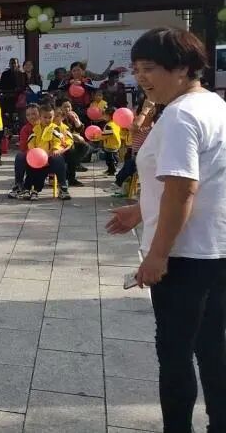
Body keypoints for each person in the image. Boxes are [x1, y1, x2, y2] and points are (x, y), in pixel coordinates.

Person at [104, 27, 226, 433]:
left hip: (185, 255)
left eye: (151, 68)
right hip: (216, 249)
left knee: (175, 355)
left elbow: (182, 188)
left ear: (184, 68)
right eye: (137, 69)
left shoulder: (179, 115)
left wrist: (157, 255)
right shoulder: (213, 104)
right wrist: (141, 209)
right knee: (214, 349)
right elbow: (204, 179)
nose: (142, 77)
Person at [111, 99, 159, 197]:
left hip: (151, 157)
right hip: (138, 156)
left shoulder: (154, 126)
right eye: (149, 110)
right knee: (132, 162)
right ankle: (119, 182)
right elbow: (135, 126)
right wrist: (145, 109)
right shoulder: (135, 124)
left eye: (153, 111)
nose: (151, 113)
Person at [20, 106, 66, 201]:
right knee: (30, 169)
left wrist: (55, 149)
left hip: (48, 157)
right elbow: (31, 141)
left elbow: (57, 141)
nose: (48, 120)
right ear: (40, 117)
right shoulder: (36, 129)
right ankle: (26, 189)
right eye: (45, 117)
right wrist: (33, 151)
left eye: (50, 117)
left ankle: (36, 191)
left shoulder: (55, 129)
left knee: (41, 173)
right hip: (36, 157)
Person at [9, 104, 41, 199]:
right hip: (31, 154)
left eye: (34, 114)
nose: (31, 117)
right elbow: (23, 147)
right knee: (20, 156)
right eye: (28, 115)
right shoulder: (25, 129)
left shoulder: (46, 125)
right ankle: (19, 184)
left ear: (40, 114)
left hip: (46, 155)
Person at [100, 106, 122, 176]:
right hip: (115, 144)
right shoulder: (116, 123)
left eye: (105, 115)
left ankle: (112, 171)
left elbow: (105, 135)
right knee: (111, 158)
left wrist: (98, 137)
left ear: (109, 116)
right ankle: (110, 169)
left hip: (110, 145)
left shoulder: (109, 125)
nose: (103, 116)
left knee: (111, 159)